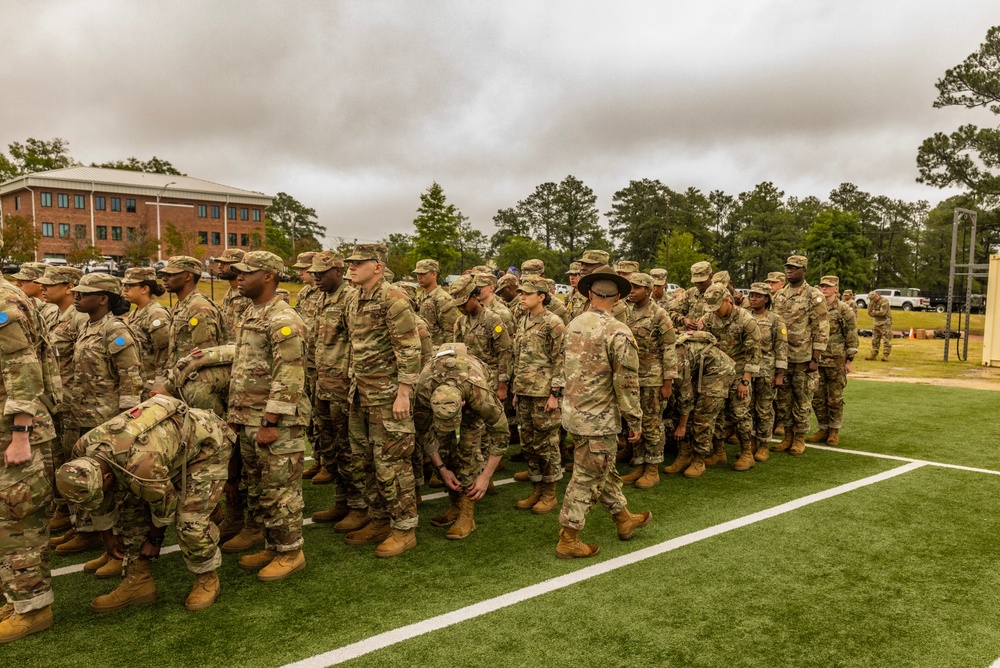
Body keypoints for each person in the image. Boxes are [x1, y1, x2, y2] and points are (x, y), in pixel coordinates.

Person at [57, 395, 235, 613]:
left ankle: (206, 576)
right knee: (131, 510)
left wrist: (155, 539)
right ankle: (139, 581)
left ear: (106, 478)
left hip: (207, 445)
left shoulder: (142, 466)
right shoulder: (82, 451)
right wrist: (108, 537)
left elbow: (165, 507)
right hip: (165, 451)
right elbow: (99, 503)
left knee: (190, 520)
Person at [226, 251, 311, 581]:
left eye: (249, 272)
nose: (240, 278)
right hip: (249, 417)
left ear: (269, 277)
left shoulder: (283, 318)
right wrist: (237, 415)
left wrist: (270, 421)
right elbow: (242, 370)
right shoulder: (251, 312)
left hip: (275, 422)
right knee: (261, 489)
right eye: (240, 273)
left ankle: (291, 552)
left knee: (281, 490)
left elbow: (290, 373)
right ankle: (273, 545)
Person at [556, 265, 651, 559]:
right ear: (619, 298)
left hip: (574, 414)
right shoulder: (618, 331)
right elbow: (626, 383)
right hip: (598, 419)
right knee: (587, 476)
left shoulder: (574, 324)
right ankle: (568, 537)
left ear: (588, 293)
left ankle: (623, 518)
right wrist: (635, 419)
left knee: (602, 468)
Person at [57, 273, 146, 557]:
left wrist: (124, 423)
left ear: (104, 299)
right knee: (86, 480)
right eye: (77, 293)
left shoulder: (114, 330)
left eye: (84, 294)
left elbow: (131, 377)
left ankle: (121, 546)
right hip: (82, 416)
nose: (77, 297)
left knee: (111, 486)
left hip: (106, 421)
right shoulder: (87, 325)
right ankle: (95, 535)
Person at [342, 244, 423, 557]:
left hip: (389, 396)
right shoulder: (355, 297)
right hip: (361, 394)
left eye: (358, 263)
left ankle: (404, 528)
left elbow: (409, 348)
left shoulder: (393, 297)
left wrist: (404, 392)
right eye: (350, 262)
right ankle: (378, 518)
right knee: (366, 461)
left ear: (377, 266)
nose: (351, 267)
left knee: (393, 463)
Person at [0, 261, 58, 643]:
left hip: (16, 432)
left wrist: (21, 432)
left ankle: (33, 608)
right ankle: (13, 598)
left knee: (19, 522)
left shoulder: (4, 301)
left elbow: (23, 369)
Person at [415, 344, 509, 540]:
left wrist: (485, 475)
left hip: (474, 379)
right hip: (445, 379)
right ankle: (455, 504)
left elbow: (501, 434)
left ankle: (467, 514)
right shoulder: (423, 390)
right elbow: (424, 432)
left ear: (462, 405)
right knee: (442, 449)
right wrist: (441, 468)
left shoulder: (478, 394)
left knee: (468, 451)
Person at [306, 251, 363, 527]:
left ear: (339, 272)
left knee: (348, 448)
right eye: (314, 273)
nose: (315, 277)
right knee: (331, 448)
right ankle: (342, 501)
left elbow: (357, 343)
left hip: (342, 386)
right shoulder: (321, 297)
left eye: (321, 273)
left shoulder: (350, 298)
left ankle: (358, 506)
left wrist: (351, 382)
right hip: (323, 385)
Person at [38, 266, 88, 536]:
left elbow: (85, 363)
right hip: (56, 399)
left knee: (74, 460)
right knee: (60, 458)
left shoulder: (80, 318)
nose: (43, 288)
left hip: (73, 401)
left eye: (50, 284)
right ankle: (71, 515)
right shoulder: (55, 315)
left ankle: (84, 526)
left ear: (69, 287)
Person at [511, 276, 565, 514]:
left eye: (527, 293)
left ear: (541, 296)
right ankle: (537, 487)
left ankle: (550, 491)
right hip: (524, 391)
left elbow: (561, 360)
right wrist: (516, 390)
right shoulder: (522, 320)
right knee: (528, 443)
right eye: (521, 293)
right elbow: (519, 358)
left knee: (547, 443)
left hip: (544, 393)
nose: (522, 296)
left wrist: (555, 394)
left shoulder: (553, 323)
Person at [621, 273, 676, 489]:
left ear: (649, 290)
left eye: (636, 288)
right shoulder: (626, 311)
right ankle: (639, 463)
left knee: (652, 422)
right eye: (630, 287)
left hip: (653, 377)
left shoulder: (659, 315)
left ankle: (652, 468)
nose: (632, 291)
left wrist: (668, 382)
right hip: (632, 376)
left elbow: (669, 348)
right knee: (635, 421)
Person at [700, 284, 762, 471]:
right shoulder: (709, 317)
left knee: (739, 413)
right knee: (716, 413)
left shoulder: (746, 320)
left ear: (728, 300)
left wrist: (746, 380)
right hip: (718, 373)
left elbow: (754, 353)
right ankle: (719, 452)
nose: (714, 312)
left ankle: (746, 453)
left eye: (717, 306)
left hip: (739, 372)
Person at [771, 256, 829, 456]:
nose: (789, 271)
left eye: (794, 268)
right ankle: (787, 435)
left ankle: (799, 438)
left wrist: (816, 357)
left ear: (803, 270)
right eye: (787, 267)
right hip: (782, 357)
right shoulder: (779, 295)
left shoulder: (814, 295)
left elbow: (821, 326)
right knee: (783, 400)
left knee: (802, 399)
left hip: (803, 358)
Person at [663, 331, 736, 478]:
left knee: (703, 414)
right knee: (678, 406)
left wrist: (682, 426)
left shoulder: (675, 358)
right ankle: (685, 454)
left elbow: (685, 395)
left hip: (719, 370)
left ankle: (699, 460)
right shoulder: (661, 354)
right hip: (700, 370)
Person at [808, 276, 858, 447]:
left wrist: (849, 360)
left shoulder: (844, 310)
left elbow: (851, 334)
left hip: (836, 359)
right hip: (816, 359)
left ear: (836, 288)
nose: (825, 289)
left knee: (835, 398)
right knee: (817, 396)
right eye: (822, 286)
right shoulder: (815, 307)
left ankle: (834, 431)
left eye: (829, 286)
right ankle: (823, 428)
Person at [160, 256, 226, 369]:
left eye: (170, 274)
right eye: (164, 275)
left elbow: (207, 356)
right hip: (182, 379)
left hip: (197, 381)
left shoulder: (199, 308)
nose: (164, 279)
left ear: (188, 276)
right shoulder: (181, 305)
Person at [746, 283, 787, 461]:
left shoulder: (775, 319)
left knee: (764, 409)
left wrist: (779, 373)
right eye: (752, 295)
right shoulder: (744, 317)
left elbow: (781, 347)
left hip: (766, 371)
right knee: (747, 408)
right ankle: (750, 443)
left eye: (758, 295)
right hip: (747, 371)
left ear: (767, 299)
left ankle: (764, 444)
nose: (754, 298)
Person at [122, 267, 170, 384]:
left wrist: (160, 383)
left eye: (129, 286)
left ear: (145, 289)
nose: (124, 290)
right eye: (124, 286)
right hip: (140, 381)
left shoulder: (156, 314)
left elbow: (165, 354)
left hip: (152, 383)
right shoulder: (135, 313)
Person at [413, 258, 459, 348]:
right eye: (417, 273)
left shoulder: (443, 299)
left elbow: (450, 332)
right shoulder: (420, 297)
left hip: (437, 351)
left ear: (434, 274)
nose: (419, 276)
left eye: (423, 273)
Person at [216, 248, 252, 345]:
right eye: (220, 262)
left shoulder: (250, 294)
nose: (220, 266)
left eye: (225, 263)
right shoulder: (228, 294)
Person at [12, 262, 60, 331]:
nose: (17, 284)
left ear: (41, 282)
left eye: (24, 280)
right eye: (18, 280)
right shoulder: (30, 305)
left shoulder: (52, 311)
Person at [670, 261, 714, 330]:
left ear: (711, 276)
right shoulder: (690, 293)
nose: (698, 284)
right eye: (696, 281)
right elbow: (672, 311)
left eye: (701, 281)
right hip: (688, 336)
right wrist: (683, 320)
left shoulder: (720, 294)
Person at [866, 291, 892, 361]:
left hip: (885, 322)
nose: (872, 301)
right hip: (876, 323)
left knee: (886, 339)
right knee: (875, 339)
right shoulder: (872, 301)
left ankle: (885, 355)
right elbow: (869, 312)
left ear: (877, 296)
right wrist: (875, 312)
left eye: (873, 299)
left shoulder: (884, 301)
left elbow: (882, 313)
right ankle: (873, 354)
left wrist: (874, 312)